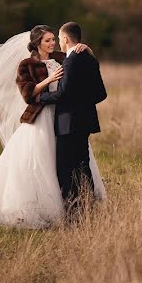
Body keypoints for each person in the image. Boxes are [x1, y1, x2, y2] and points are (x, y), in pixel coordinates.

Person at [0, 25, 106, 228]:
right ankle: (36, 208)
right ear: (37, 43)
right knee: (38, 162)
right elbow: (28, 95)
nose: (52, 43)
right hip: (41, 116)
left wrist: (86, 48)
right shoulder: (26, 65)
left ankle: (75, 207)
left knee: (67, 162)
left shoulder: (60, 58)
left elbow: (75, 58)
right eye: (47, 40)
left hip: (62, 117)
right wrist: (48, 80)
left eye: (53, 39)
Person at [38, 21, 108, 210]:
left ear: (66, 38)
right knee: (83, 167)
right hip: (85, 122)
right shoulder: (90, 59)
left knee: (65, 169)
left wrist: (41, 97)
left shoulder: (71, 61)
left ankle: (71, 212)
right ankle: (87, 207)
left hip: (68, 123)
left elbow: (64, 94)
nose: (59, 43)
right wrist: (82, 100)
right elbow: (101, 94)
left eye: (59, 39)